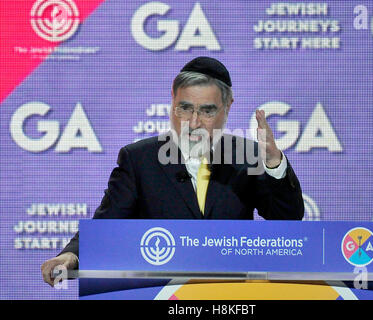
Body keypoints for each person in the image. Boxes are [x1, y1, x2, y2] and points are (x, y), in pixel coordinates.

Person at [41, 56, 304, 286]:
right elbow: (107, 226)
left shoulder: (246, 156)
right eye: (185, 108)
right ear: (172, 103)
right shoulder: (139, 159)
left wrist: (273, 162)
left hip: (230, 295)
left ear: (228, 107)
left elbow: (288, 221)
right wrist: (71, 255)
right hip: (161, 293)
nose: (193, 122)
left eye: (207, 110)